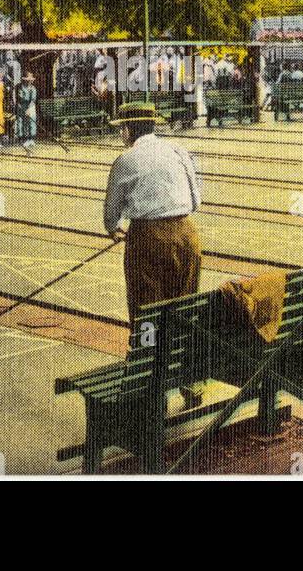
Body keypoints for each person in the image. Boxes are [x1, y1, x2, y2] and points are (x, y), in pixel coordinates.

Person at [103, 101, 204, 408]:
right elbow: (196, 199)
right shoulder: (178, 151)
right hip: (186, 235)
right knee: (185, 307)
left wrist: (114, 229)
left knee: (146, 314)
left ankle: (150, 389)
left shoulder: (125, 160)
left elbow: (111, 213)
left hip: (147, 239)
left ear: (127, 129)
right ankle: (190, 382)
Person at [14, 71, 38, 150]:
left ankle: (31, 139)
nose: (29, 81)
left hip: (31, 106)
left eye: (30, 80)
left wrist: (28, 109)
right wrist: (21, 108)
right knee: (23, 123)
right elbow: (19, 98)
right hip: (21, 106)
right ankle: (25, 139)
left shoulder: (33, 88)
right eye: (27, 80)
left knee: (31, 122)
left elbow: (33, 100)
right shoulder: (20, 87)